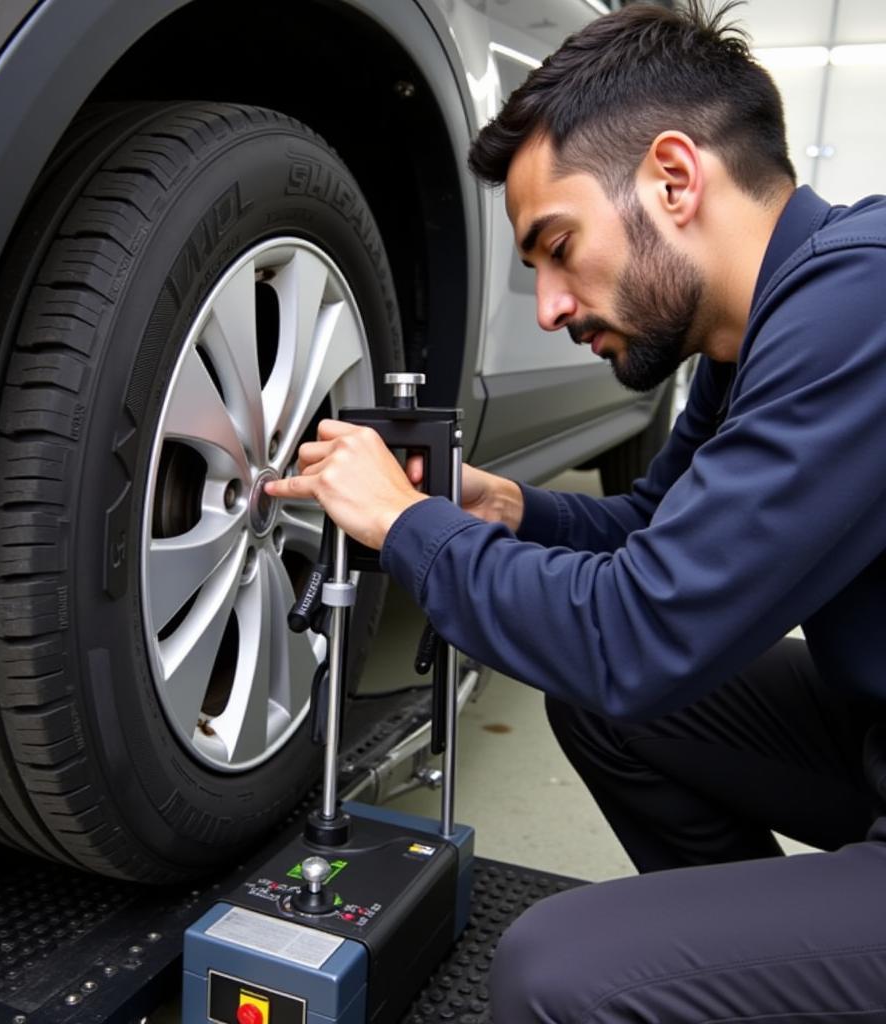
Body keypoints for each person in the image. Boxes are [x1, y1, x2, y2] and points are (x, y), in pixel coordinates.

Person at [266, 1, 886, 1018]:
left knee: (558, 973)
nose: (548, 306)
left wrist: (406, 525)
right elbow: (651, 536)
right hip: (872, 743)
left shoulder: (856, 311)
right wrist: (508, 508)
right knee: (607, 712)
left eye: (558, 245)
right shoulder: (759, 331)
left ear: (674, 179)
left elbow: (635, 633)